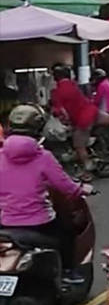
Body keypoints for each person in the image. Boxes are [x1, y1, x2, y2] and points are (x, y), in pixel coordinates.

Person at [0, 103, 90, 277]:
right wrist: (82, 190)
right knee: (68, 235)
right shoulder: (43, 157)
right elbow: (66, 187)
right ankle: (69, 272)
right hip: (39, 224)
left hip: (5, 223)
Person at [50, 63, 109, 174]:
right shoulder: (73, 84)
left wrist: (56, 114)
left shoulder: (57, 92)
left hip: (82, 120)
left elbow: (59, 110)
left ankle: (88, 166)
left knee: (78, 145)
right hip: (92, 111)